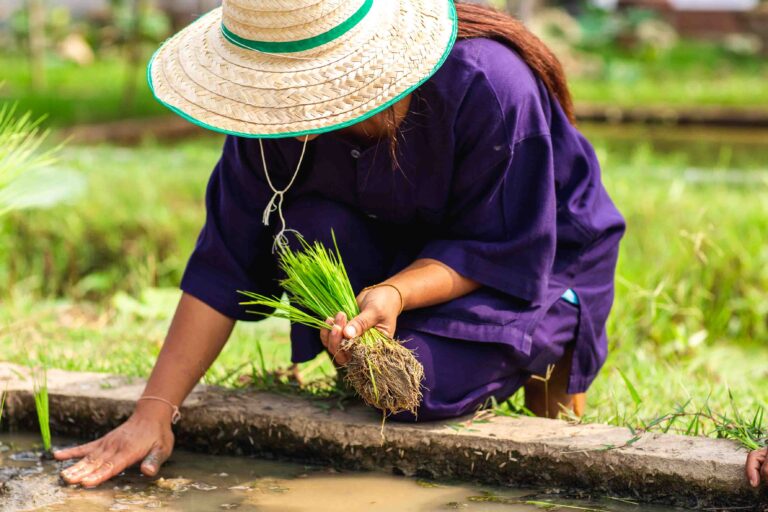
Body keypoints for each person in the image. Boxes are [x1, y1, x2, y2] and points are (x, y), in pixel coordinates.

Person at [55, 0, 626, 487]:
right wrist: (152, 413)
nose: (280, 106)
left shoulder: (488, 84)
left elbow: (501, 241)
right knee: (384, 377)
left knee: (420, 389)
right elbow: (223, 259)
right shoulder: (267, 119)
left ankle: (549, 347)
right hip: (398, 248)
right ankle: (382, 347)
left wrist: (397, 293)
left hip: (534, 255)